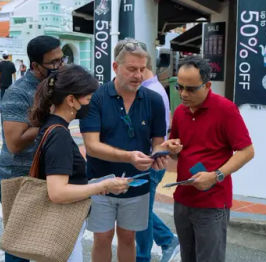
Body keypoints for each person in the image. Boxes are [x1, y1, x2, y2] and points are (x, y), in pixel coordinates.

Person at [28, 64, 130, 261]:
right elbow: (58, 192)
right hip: (60, 229)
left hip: (54, 227)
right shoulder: (59, 135)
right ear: (71, 100)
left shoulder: (51, 127)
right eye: (89, 99)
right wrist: (103, 185)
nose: (91, 105)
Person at [80, 38, 168, 262]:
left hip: (137, 182)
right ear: (116, 67)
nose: (138, 75)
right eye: (131, 69)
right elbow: (91, 146)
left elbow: (158, 141)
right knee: (102, 237)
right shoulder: (95, 99)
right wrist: (129, 157)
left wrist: (160, 154)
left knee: (128, 237)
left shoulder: (154, 100)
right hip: (100, 181)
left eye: (142, 69)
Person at [162, 56, 255, 262]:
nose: (184, 94)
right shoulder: (180, 111)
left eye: (191, 89)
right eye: (180, 87)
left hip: (212, 202)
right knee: (188, 257)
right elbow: (176, 148)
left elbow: (247, 151)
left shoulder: (226, 110)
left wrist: (216, 175)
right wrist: (171, 148)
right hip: (183, 198)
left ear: (208, 85)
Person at [0, 35, 64, 262]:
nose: (59, 66)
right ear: (35, 65)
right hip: (18, 178)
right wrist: (52, 119)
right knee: (18, 247)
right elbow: (15, 143)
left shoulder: (54, 85)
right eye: (53, 63)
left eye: (61, 60)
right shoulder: (18, 93)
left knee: (44, 241)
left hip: (45, 176)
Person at [135, 55, 179, 262]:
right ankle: (166, 239)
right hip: (148, 160)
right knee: (138, 209)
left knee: (139, 211)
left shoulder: (150, 92)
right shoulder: (152, 88)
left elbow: (153, 136)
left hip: (150, 162)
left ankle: (150, 252)